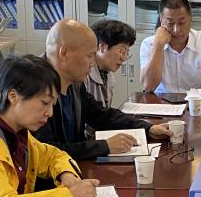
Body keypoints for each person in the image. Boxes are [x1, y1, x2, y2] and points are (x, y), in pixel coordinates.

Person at [0, 54, 99, 197]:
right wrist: (69, 195)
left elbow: (53, 156)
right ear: (13, 96)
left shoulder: (16, 131)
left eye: (52, 105)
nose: (49, 113)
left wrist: (66, 175)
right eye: (45, 103)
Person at [35, 19, 169, 160]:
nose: (93, 63)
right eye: (89, 56)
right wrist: (104, 146)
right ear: (64, 53)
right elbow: (45, 152)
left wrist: (148, 128)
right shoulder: (34, 87)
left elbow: (102, 115)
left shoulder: (74, 83)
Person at [139, 0, 201, 93]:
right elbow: (148, 87)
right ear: (161, 21)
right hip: (161, 101)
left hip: (196, 101)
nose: (176, 30)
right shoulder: (148, 44)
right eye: (170, 23)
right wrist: (158, 45)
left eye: (182, 22)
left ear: (190, 19)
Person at [85, 19, 136, 108]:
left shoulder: (108, 76)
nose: (124, 58)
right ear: (102, 47)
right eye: (122, 51)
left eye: (126, 53)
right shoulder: (84, 76)